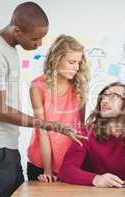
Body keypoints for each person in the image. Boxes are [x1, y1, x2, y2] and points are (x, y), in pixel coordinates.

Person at [0, 2, 86, 197]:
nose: (39, 44)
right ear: (17, 30)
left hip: (6, 146)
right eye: (35, 39)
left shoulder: (9, 49)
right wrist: (49, 125)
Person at [59, 82, 125, 187]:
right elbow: (66, 170)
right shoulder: (86, 132)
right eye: (103, 96)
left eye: (113, 96)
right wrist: (95, 179)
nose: (105, 101)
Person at [27, 34, 89, 183]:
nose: (76, 67)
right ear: (57, 59)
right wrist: (47, 171)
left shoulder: (79, 86)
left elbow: (81, 129)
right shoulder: (37, 86)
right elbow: (42, 129)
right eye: (71, 62)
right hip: (42, 163)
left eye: (78, 63)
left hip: (71, 163)